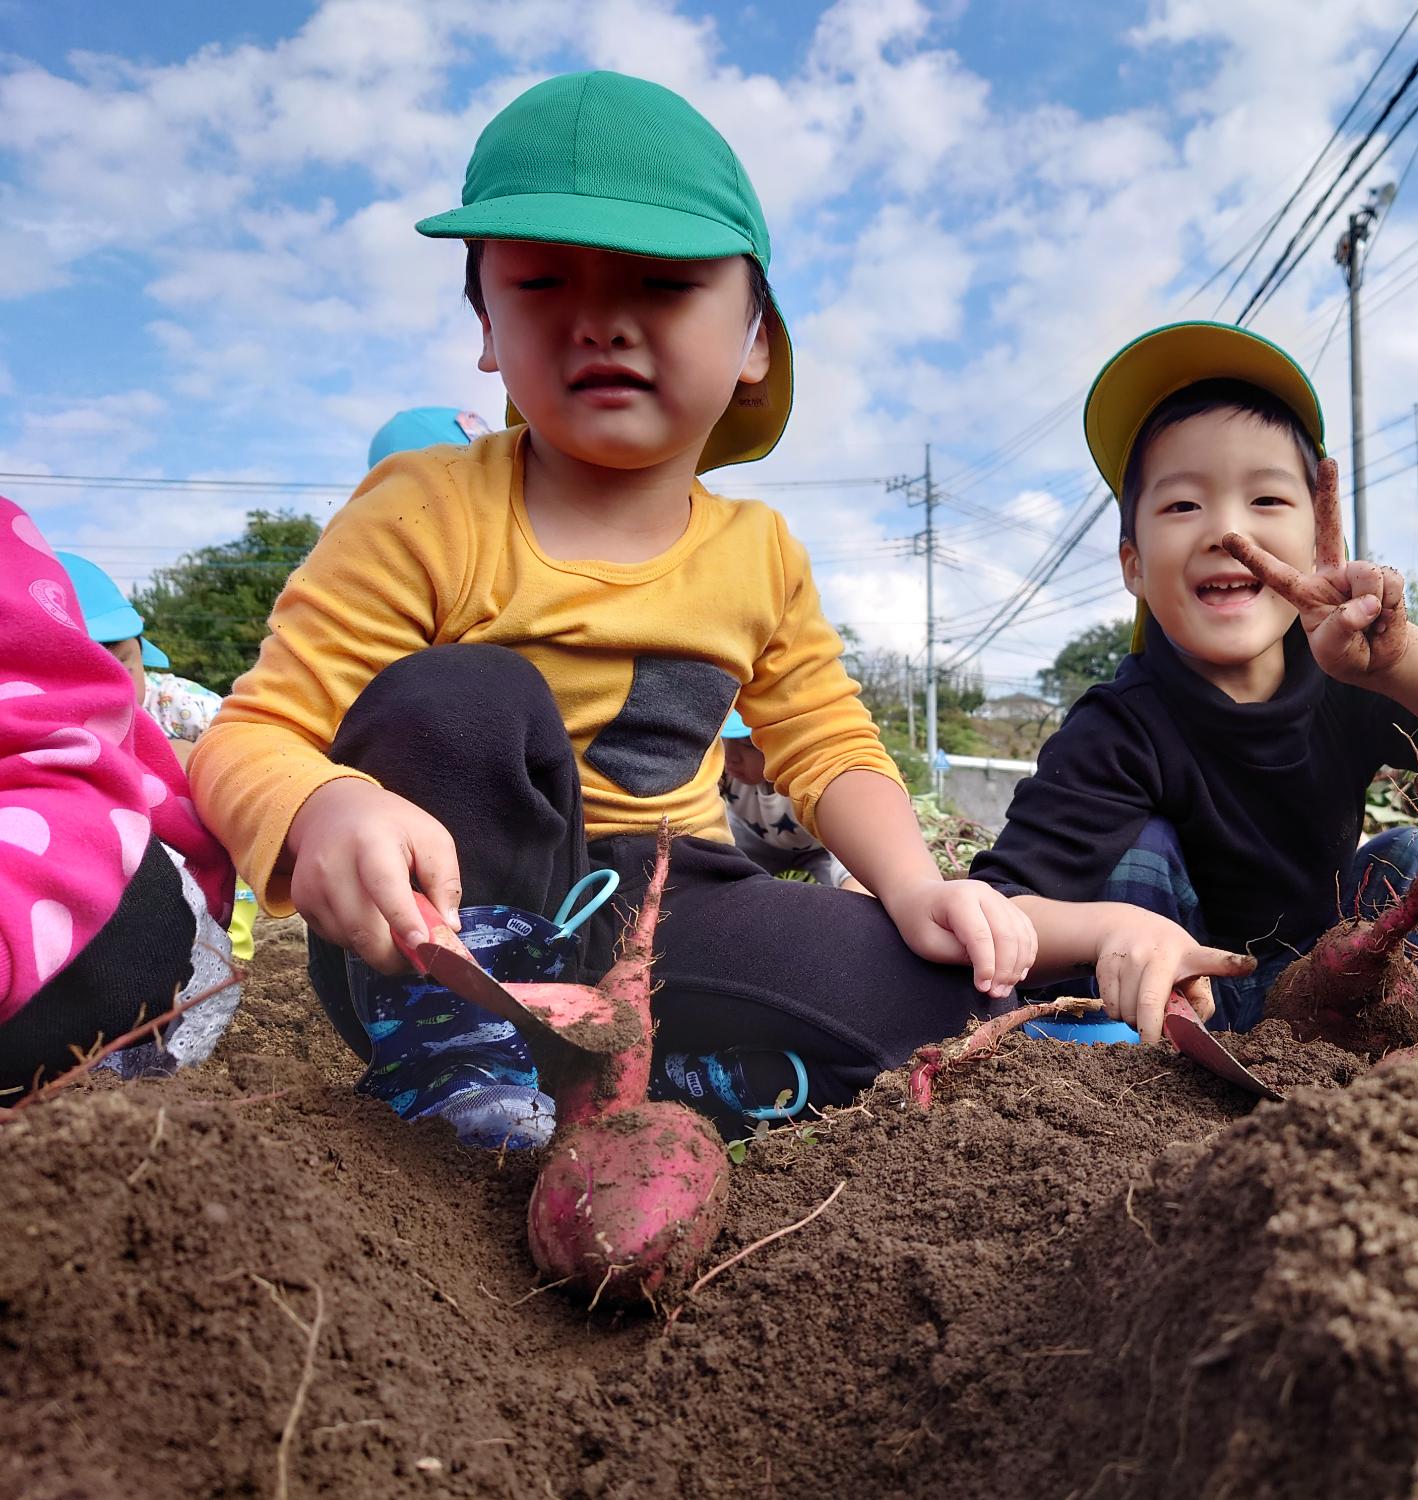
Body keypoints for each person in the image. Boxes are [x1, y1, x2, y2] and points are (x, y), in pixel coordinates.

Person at [188, 71, 1033, 1147]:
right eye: (542, 282)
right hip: (451, 929)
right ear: (487, 327)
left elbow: (825, 743)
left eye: (663, 284)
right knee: (462, 693)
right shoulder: (424, 512)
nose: (598, 321)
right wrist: (324, 810)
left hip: (674, 907)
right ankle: (466, 1079)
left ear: (755, 341)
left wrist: (915, 889)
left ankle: (657, 1081)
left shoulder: (758, 551)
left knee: (952, 1003)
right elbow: (252, 735)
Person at [971, 322, 1418, 1041]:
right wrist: (1116, 929)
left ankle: (1417, 1050)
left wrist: (1400, 662)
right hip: (1184, 1012)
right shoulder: (1119, 729)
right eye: (1183, 505)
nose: (1226, 532)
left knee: (1416, 858)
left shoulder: (1351, 683)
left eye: (1267, 501)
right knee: (1138, 852)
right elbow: (998, 906)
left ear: (1315, 541)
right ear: (1133, 567)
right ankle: (1148, 1077)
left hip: (1329, 993)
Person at [0, 498, 238, 1096]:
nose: (112, 671)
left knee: (159, 883)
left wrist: (208, 772)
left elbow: (221, 746)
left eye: (121, 656)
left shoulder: (172, 700)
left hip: (137, 860)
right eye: (94, 651)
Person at [56, 550, 256, 961]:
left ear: (142, 651)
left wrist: (197, 760)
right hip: (109, 888)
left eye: (122, 664)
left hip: (205, 875)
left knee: (217, 959)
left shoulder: (175, 702)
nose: (110, 688)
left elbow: (248, 739)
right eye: (79, 672)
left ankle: (224, 951)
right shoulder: (45, 732)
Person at [719, 710, 863, 891]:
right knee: (724, 882)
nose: (731, 757)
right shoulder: (721, 769)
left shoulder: (812, 779)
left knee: (856, 894)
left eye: (747, 744)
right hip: (752, 840)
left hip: (816, 849)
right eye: (724, 740)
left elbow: (852, 857)